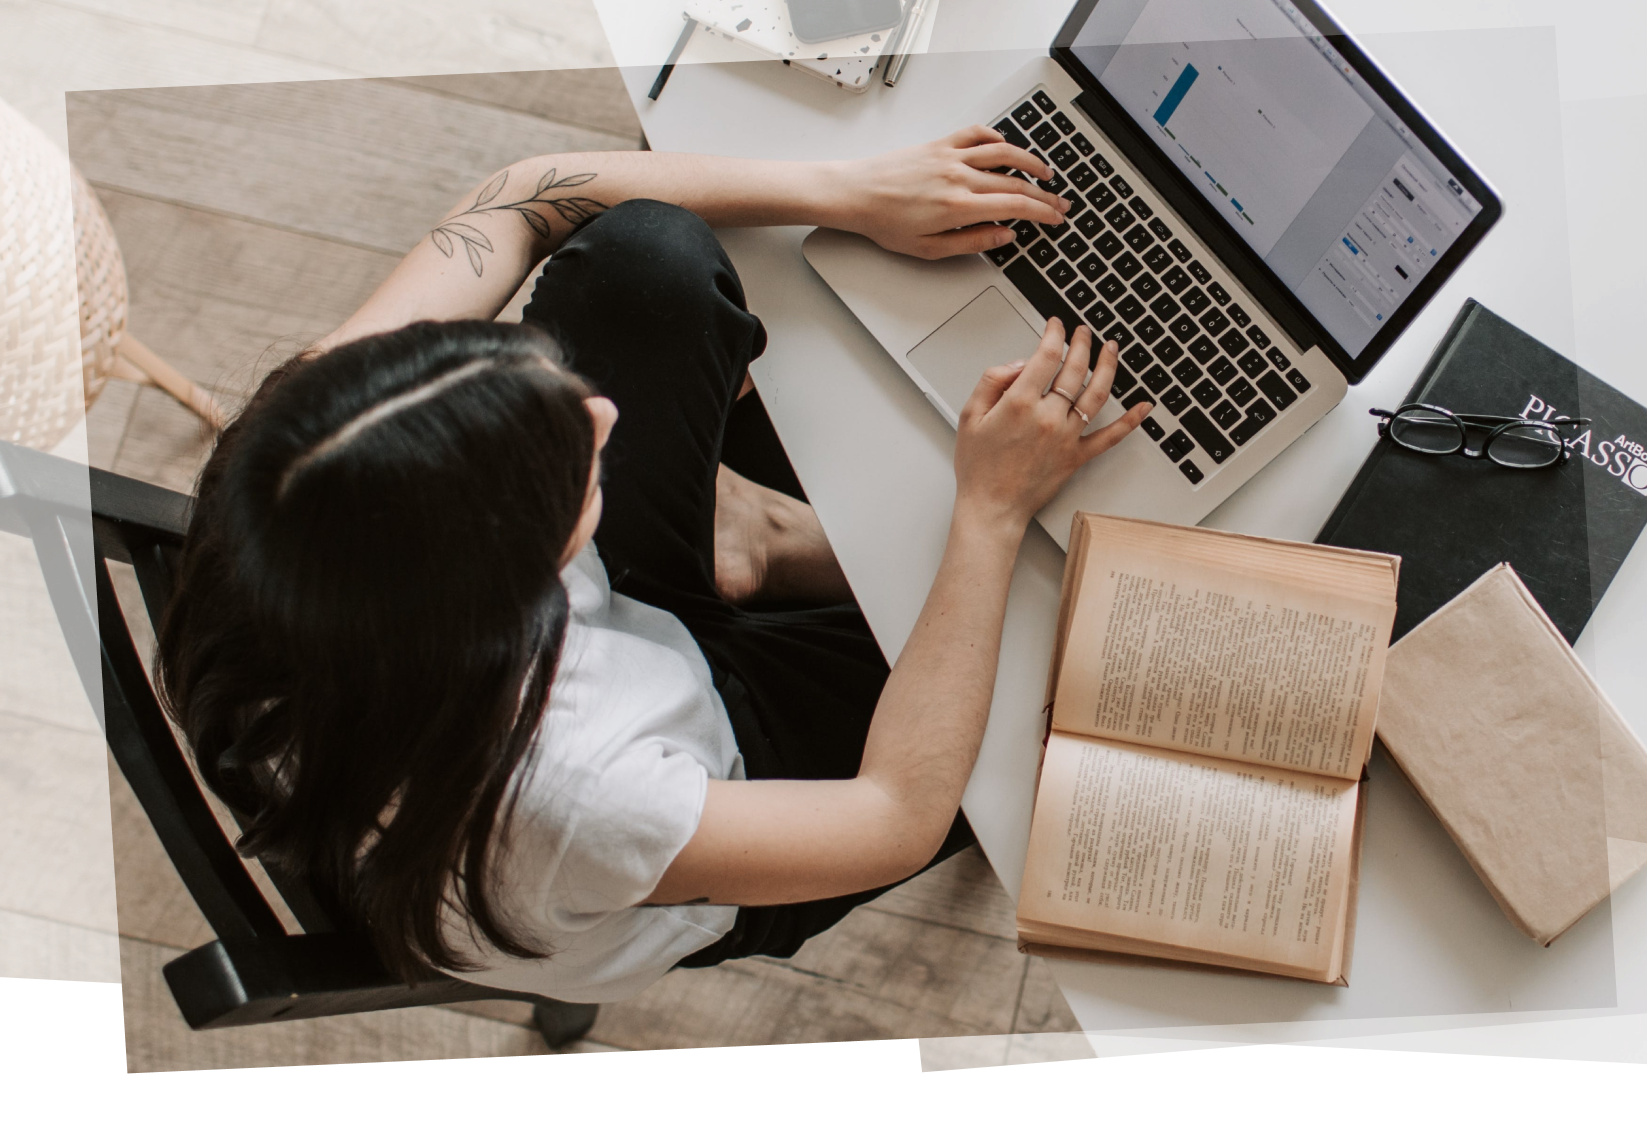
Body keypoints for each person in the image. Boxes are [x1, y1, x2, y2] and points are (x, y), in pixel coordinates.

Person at [157, 128, 1148, 1004]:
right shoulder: (579, 797)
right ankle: (758, 548)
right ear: (511, 591)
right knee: (1071, 667)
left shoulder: (307, 459)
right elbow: (892, 816)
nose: (602, 414)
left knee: (643, 256)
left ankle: (746, 546)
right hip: (715, 794)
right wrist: (986, 512)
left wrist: (848, 189)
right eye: (570, 470)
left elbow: (522, 196)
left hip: (578, 663)